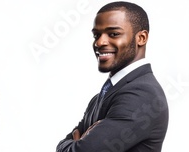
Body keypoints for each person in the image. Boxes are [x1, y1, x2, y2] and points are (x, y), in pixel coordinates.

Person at [56, 1, 169, 152]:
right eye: (96, 35)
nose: (99, 42)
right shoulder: (101, 96)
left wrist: (72, 144)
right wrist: (71, 145)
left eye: (113, 34)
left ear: (141, 38)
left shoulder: (141, 94)